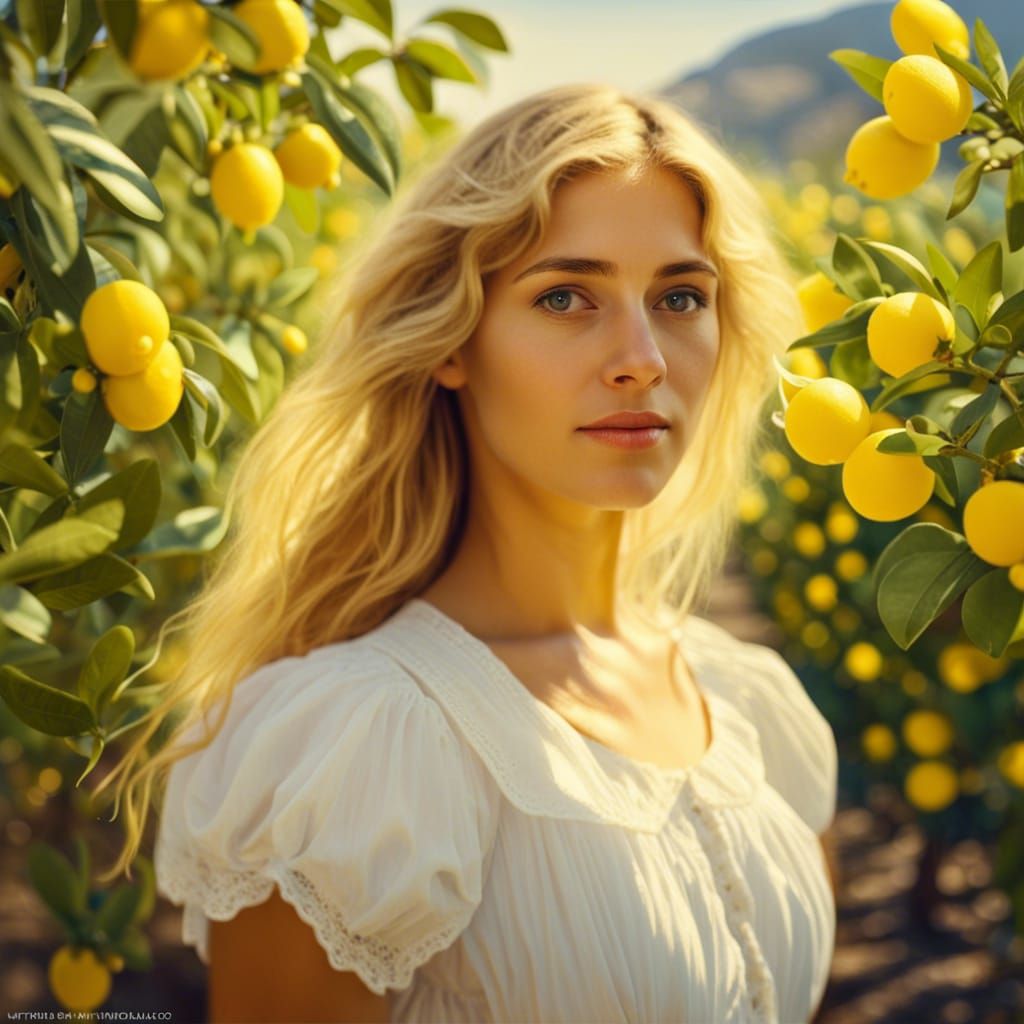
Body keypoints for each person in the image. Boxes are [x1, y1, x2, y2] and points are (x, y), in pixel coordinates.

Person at [98, 82, 839, 1023]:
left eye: (681, 295)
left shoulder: (751, 703)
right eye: (567, 296)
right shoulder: (362, 745)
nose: (643, 356)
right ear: (454, 339)